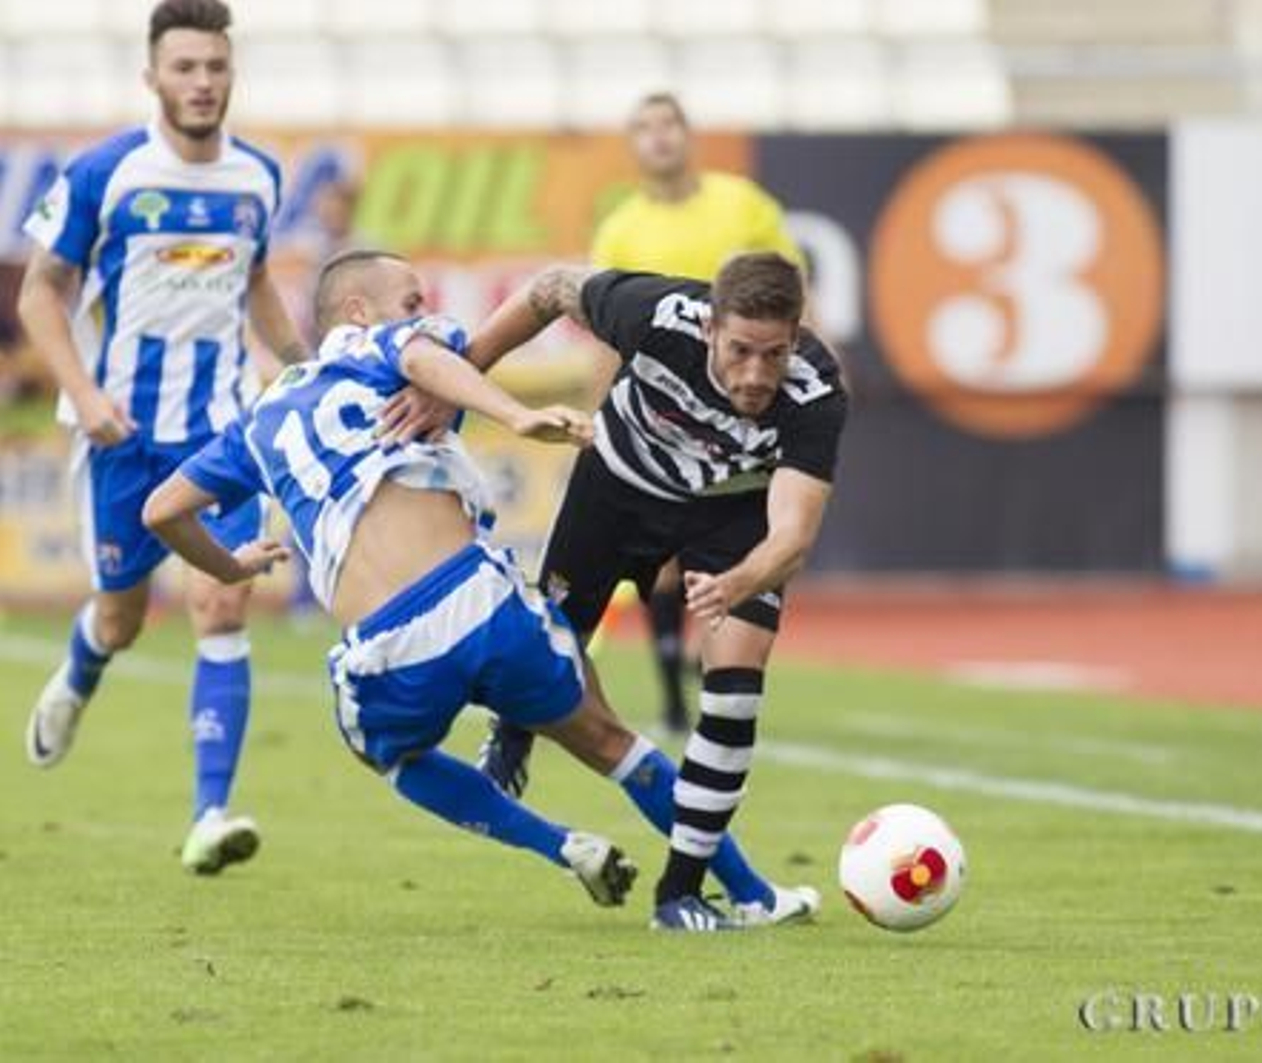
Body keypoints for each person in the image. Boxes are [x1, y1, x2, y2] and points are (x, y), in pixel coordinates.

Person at [143, 248, 820, 927]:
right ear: (356, 313)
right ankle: (751, 892)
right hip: (485, 603)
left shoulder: (257, 422)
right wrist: (510, 412)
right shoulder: (376, 347)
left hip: (387, 651)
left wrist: (230, 567)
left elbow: (162, 510)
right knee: (617, 743)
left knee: (398, 757)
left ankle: (559, 843)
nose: (427, 313)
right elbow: (421, 356)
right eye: (411, 300)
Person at [463, 252, 848, 930]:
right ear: (708, 330)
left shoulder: (815, 393)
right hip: (617, 486)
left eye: (774, 354)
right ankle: (516, 725)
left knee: (736, 691)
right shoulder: (656, 313)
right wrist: (460, 381)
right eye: (739, 351)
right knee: (552, 644)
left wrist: (739, 582)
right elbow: (551, 287)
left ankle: (680, 894)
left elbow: (791, 535)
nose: (756, 375)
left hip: (731, 517)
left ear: (795, 338)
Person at [18, 0, 308, 873]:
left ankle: (210, 814)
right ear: (153, 77)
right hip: (124, 435)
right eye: (184, 67)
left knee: (223, 599)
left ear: (231, 74)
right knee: (122, 616)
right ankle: (79, 670)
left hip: (223, 430)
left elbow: (255, 279)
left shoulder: (259, 176)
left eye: (215, 67)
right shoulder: (106, 170)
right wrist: (83, 392)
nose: (202, 83)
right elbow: (42, 291)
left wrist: (301, 364)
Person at [590, 91, 804, 735]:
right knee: (660, 559)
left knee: (726, 542)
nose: (659, 138)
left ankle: (716, 669)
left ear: (689, 135)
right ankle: (673, 697)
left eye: (668, 125)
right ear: (632, 144)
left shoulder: (742, 203)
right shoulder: (621, 228)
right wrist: (599, 414)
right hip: (660, 411)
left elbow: (791, 291)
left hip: (742, 404)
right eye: (644, 128)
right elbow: (605, 328)